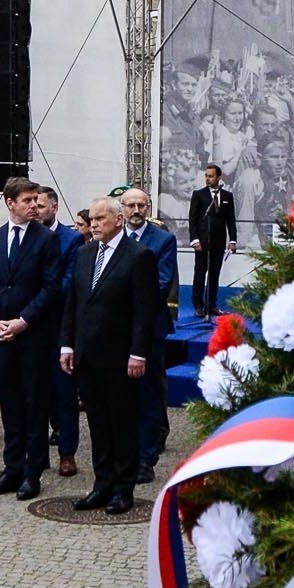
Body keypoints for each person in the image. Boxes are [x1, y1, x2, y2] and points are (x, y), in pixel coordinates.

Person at [58, 195, 165, 514]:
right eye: (91, 219)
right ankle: (101, 483)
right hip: (87, 354)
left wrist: (138, 353)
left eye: (100, 219)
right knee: (98, 423)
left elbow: (144, 312)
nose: (94, 224)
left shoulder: (138, 255)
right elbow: (73, 303)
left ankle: (123, 487)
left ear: (118, 220)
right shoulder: (84, 253)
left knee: (122, 422)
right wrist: (67, 344)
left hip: (121, 356)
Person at [0, 176, 63, 502]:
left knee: (35, 402)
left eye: (35, 200)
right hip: (1, 335)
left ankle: (33, 470)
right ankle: (11, 467)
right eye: (26, 201)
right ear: (10, 202)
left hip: (33, 334)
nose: (33, 206)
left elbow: (51, 287)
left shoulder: (45, 239)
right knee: (10, 402)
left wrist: (23, 321)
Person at [120, 186, 179, 482]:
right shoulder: (115, 237)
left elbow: (161, 282)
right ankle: (125, 452)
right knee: (121, 395)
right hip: (116, 330)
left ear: (149, 207)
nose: (136, 211)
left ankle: (147, 457)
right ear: (122, 208)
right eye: (130, 205)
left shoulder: (163, 240)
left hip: (149, 329)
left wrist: (121, 306)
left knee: (148, 393)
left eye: (141, 205)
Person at [36, 187, 86, 478]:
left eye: (40, 205)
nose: (35, 209)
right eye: (32, 204)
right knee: (35, 394)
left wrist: (37, 296)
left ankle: (67, 453)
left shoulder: (72, 240)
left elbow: (68, 283)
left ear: (54, 208)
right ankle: (37, 451)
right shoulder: (28, 236)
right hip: (30, 329)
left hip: (60, 327)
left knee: (64, 394)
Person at [187, 164, 237, 319]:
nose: (208, 179)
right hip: (202, 241)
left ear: (219, 177)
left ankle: (212, 304)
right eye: (206, 176)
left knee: (215, 273)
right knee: (200, 273)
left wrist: (233, 240)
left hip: (219, 241)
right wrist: (194, 239)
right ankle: (198, 305)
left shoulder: (227, 196)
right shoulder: (199, 194)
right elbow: (193, 219)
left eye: (211, 176)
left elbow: (230, 220)